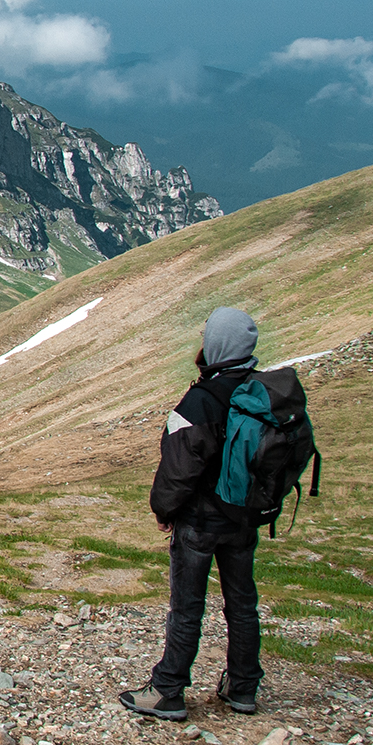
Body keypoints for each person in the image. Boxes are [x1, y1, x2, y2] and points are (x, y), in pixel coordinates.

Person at [119, 306, 268, 720]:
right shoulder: (259, 393)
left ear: (216, 344)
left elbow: (179, 466)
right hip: (242, 519)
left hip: (200, 521)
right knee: (241, 603)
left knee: (187, 607)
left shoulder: (202, 400)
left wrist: (164, 509)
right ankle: (242, 687)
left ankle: (168, 690)